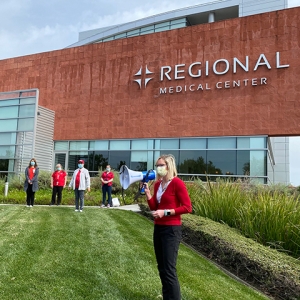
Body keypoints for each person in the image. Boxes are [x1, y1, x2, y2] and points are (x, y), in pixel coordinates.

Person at [144, 154, 192, 300]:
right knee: (162, 267)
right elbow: (155, 207)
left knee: (169, 269)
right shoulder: (157, 184)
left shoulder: (177, 183)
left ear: (169, 166)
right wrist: (148, 195)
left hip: (171, 229)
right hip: (158, 228)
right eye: (157, 165)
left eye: (161, 165)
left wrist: (165, 212)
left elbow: (187, 207)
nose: (158, 168)